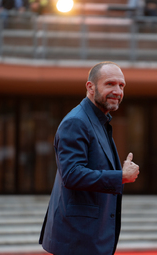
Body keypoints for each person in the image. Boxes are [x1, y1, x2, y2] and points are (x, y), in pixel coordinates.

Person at [39, 61, 140, 255]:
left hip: (89, 238)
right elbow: (72, 174)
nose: (117, 91)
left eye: (121, 85)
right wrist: (120, 176)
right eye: (110, 84)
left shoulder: (98, 121)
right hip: (77, 240)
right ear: (90, 87)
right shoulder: (77, 122)